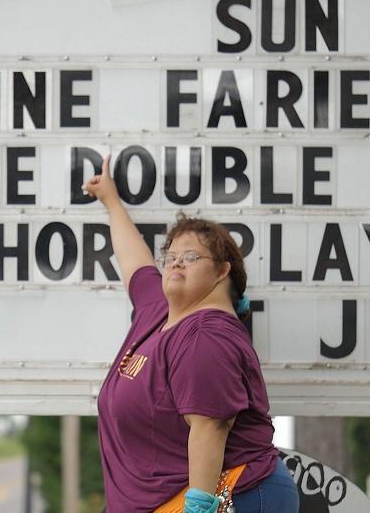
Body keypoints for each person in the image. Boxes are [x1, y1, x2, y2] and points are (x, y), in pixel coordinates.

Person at [82, 154, 300, 513]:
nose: (176, 262)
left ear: (221, 272)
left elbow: (211, 426)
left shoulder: (207, 332)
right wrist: (110, 200)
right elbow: (134, 261)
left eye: (191, 257)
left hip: (235, 495)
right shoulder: (158, 313)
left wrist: (199, 508)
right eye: (170, 256)